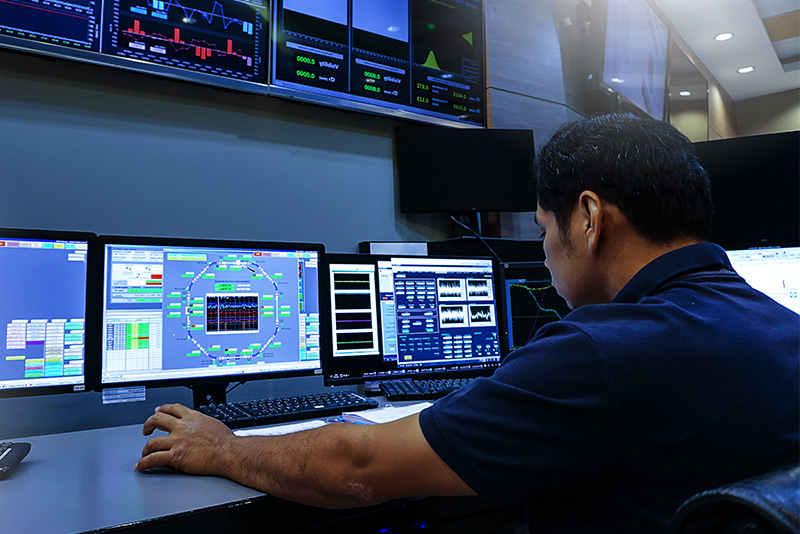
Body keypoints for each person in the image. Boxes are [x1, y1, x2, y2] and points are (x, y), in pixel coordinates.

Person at [136, 114, 799, 532]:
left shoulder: (600, 351)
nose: (543, 252)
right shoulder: (781, 327)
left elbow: (359, 468)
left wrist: (223, 447)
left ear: (590, 218)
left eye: (543, 229)